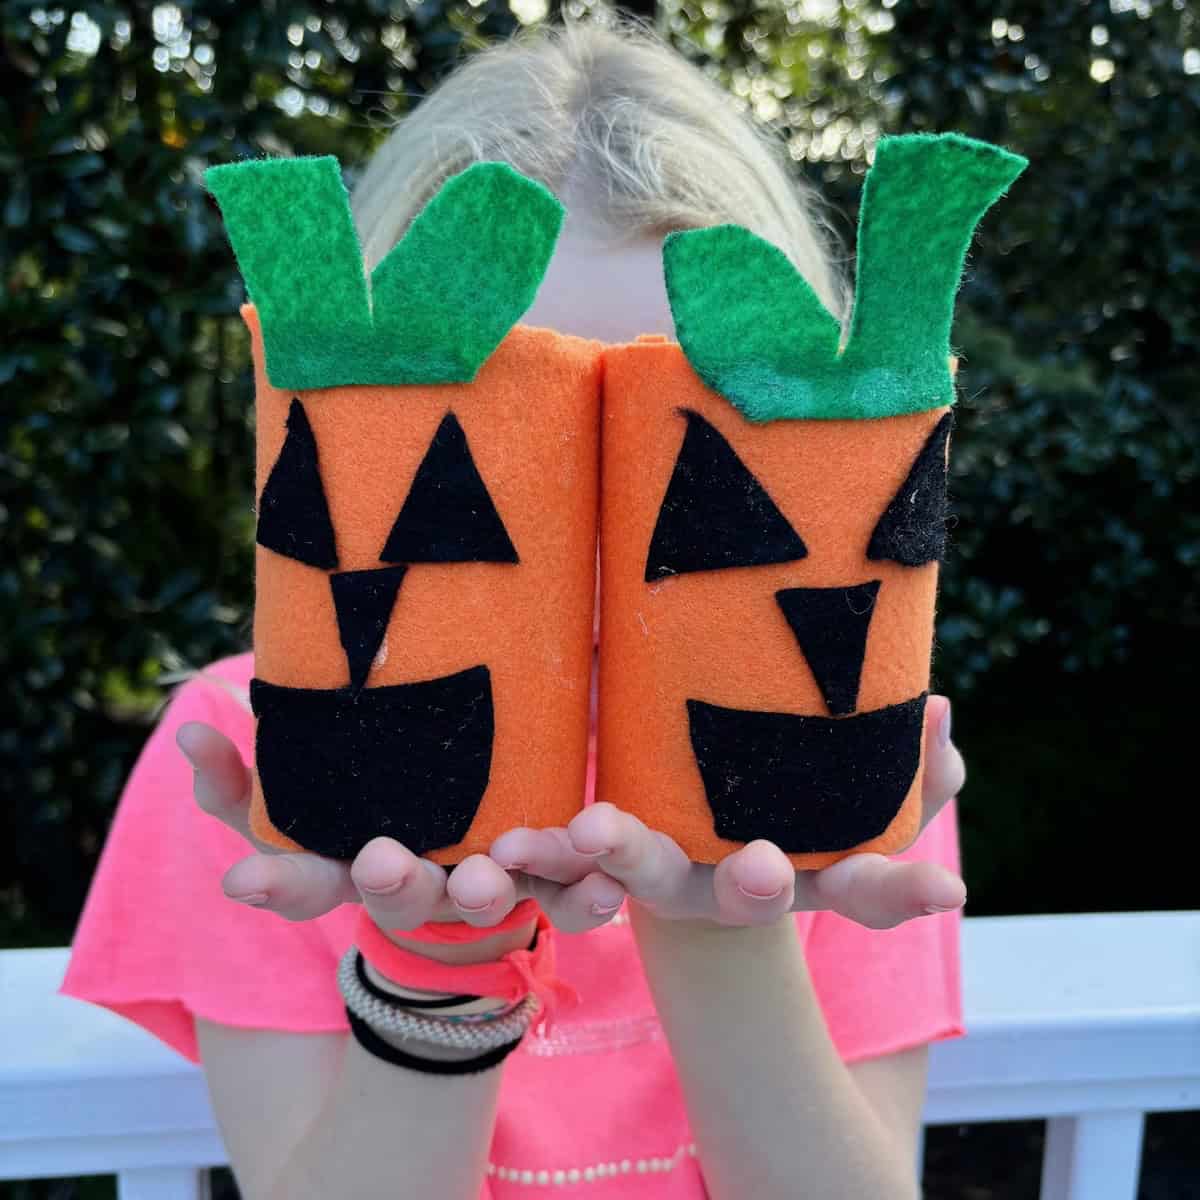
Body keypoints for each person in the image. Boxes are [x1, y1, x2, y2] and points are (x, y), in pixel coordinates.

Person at [60, 17, 969, 1200]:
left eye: (658, 456)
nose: (590, 548)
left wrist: (719, 923)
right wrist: (434, 966)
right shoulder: (259, 766)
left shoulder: (844, 765)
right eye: (531, 454)